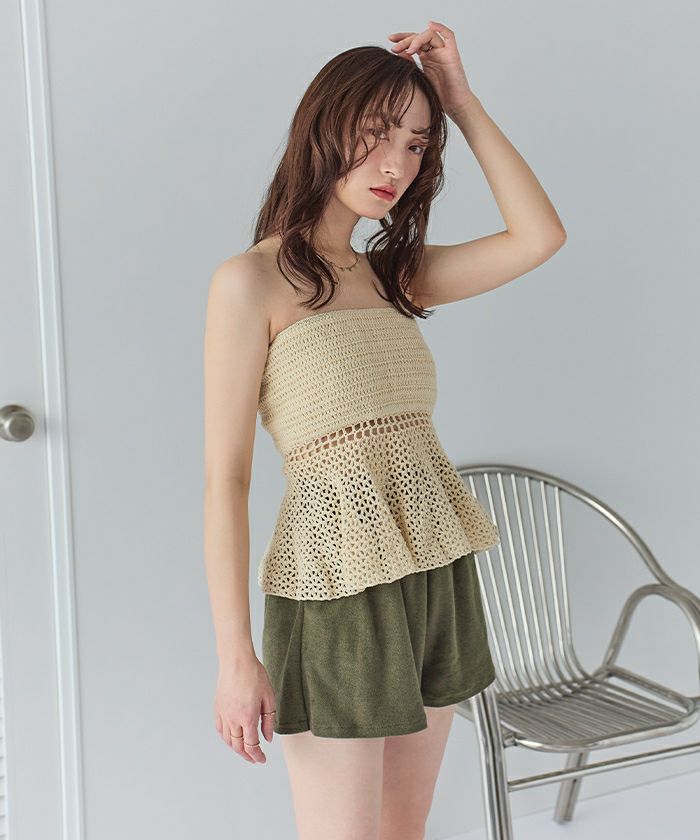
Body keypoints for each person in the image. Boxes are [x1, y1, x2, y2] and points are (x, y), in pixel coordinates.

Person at [203, 20, 566, 839]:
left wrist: (460, 101)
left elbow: (539, 236)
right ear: (323, 127)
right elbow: (226, 478)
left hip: (434, 568)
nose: (397, 164)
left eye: (416, 143)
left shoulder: (393, 276)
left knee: (406, 828)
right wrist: (235, 659)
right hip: (335, 586)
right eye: (377, 134)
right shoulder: (250, 283)